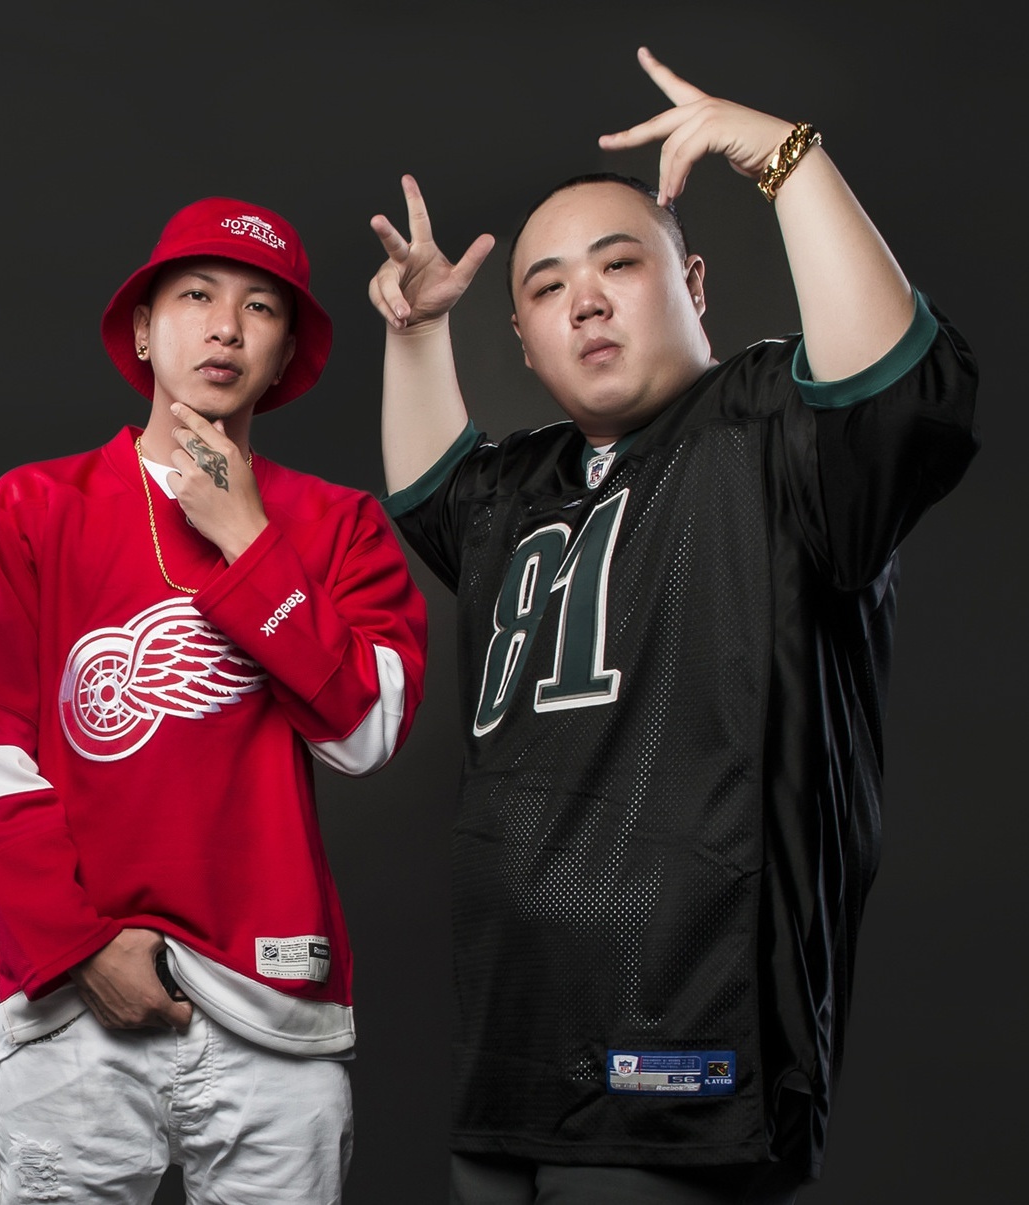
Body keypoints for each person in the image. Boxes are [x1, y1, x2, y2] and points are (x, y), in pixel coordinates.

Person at [367, 47, 978, 1204]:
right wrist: (416, 331)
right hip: (514, 1048)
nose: (586, 299)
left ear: (693, 281)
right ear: (523, 337)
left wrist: (788, 160)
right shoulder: (525, 486)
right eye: (547, 286)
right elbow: (431, 490)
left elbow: (896, 383)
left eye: (618, 262)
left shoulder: (773, 427)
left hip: (687, 1052)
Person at [0, 196, 429, 1202]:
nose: (226, 328)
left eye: (261, 307)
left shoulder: (337, 525)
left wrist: (250, 540)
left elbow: (367, 732)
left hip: (274, 1005)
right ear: (142, 330)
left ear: (285, 357)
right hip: (70, 1007)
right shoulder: (34, 507)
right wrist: (75, 945)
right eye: (196, 296)